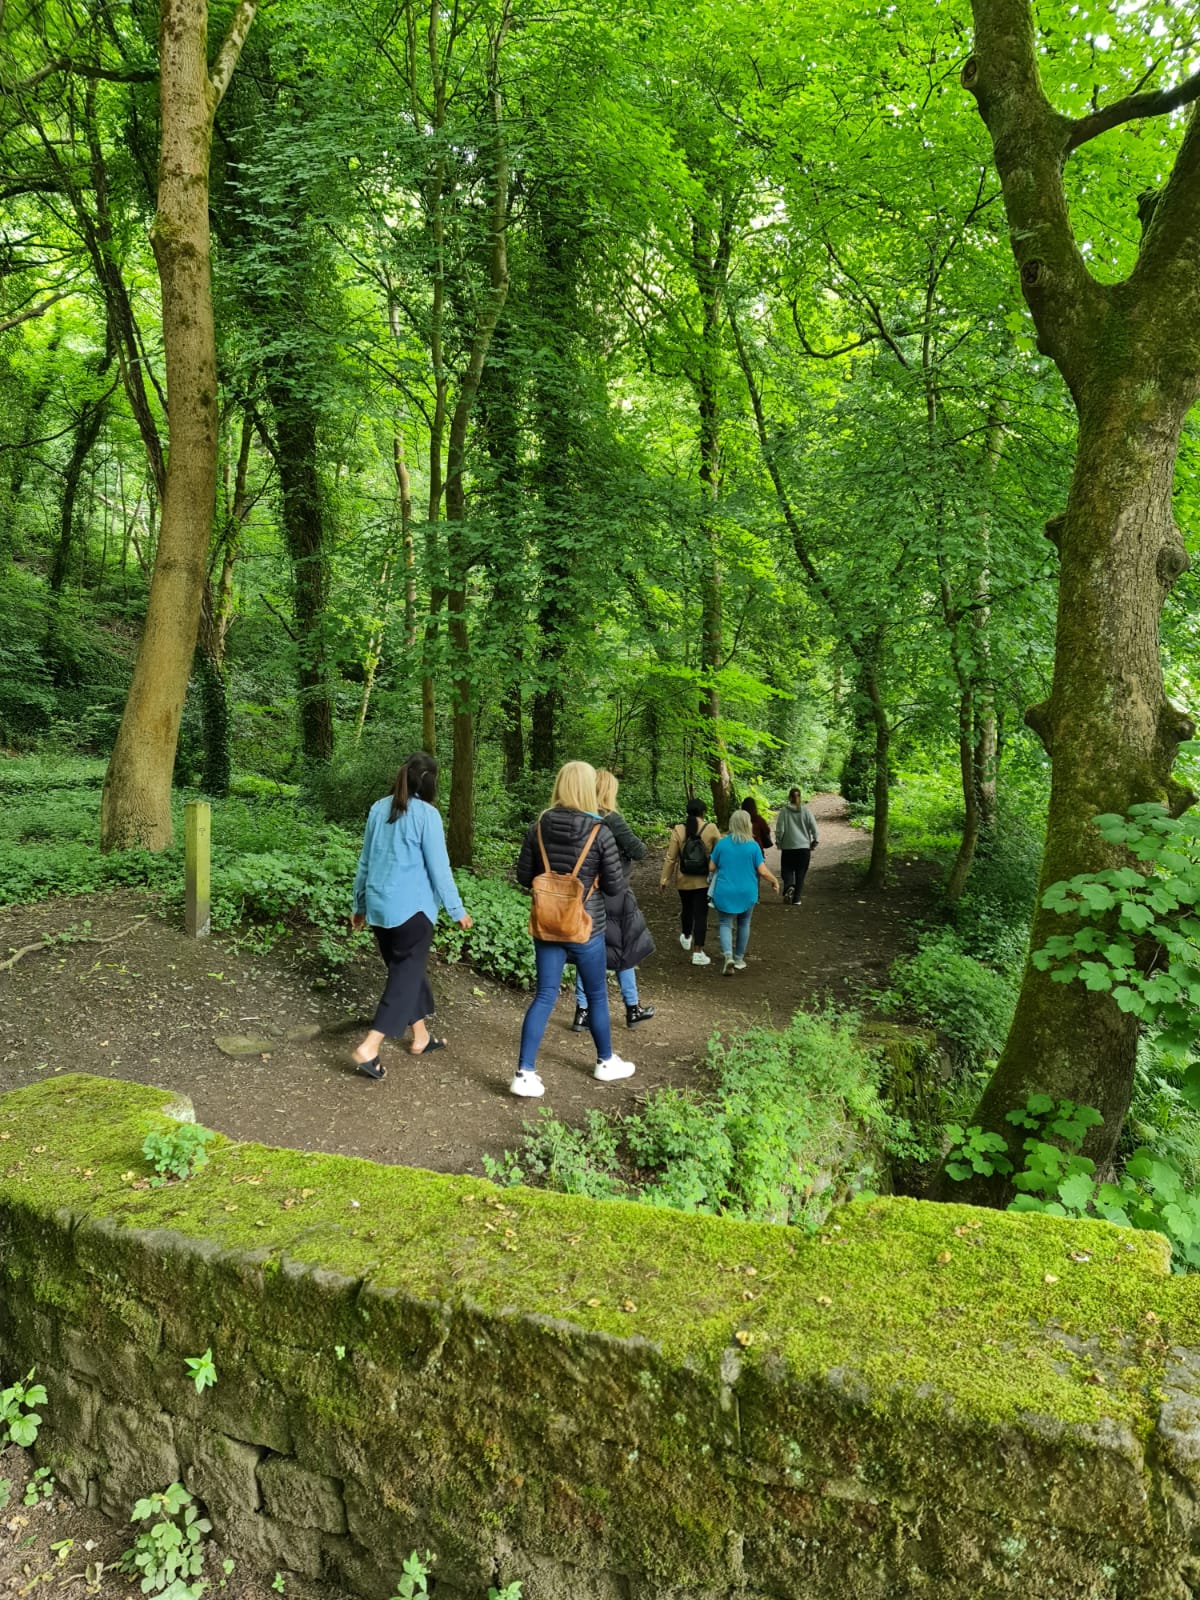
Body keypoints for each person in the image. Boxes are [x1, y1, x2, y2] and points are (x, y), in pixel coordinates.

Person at [513, 760, 635, 1099]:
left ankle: (524, 1073)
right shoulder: (601, 831)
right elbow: (614, 887)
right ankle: (605, 1061)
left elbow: (524, 877)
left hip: (548, 927)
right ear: (587, 788)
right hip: (586, 927)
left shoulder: (538, 826)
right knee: (596, 995)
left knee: (545, 995)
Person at [350, 752, 473, 1080]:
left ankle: (420, 1037)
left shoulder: (379, 808)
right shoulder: (427, 815)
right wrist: (456, 909)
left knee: (407, 972)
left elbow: (364, 862)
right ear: (431, 782)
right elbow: (439, 868)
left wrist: (359, 905)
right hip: (413, 911)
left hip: (379, 908)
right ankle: (370, 1047)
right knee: (404, 976)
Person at [571, 769, 656, 1031]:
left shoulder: (579, 818)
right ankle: (632, 1008)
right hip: (614, 892)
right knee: (624, 950)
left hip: (585, 894)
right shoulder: (612, 819)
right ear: (609, 791)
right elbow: (639, 850)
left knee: (588, 949)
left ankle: (582, 1012)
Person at [709, 808, 780, 976]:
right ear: (747, 824)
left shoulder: (722, 843)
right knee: (744, 923)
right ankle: (739, 958)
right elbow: (762, 871)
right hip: (747, 892)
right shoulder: (753, 846)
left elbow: (711, 867)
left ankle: (728, 956)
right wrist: (774, 881)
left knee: (725, 923)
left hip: (725, 891)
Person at [660, 797, 721, 966]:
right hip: (703, 879)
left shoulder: (679, 829)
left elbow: (671, 858)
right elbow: (719, 852)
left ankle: (686, 936)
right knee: (701, 914)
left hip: (683, 879)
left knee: (686, 908)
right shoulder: (711, 828)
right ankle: (698, 952)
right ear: (703, 812)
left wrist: (664, 879)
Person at [774, 787, 820, 904]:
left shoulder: (784, 811)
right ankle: (797, 899)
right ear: (800, 797)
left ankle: (789, 886)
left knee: (787, 870)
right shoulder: (806, 811)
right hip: (804, 848)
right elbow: (814, 827)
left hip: (788, 847)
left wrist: (779, 841)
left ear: (789, 798)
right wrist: (815, 840)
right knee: (800, 873)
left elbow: (780, 829)